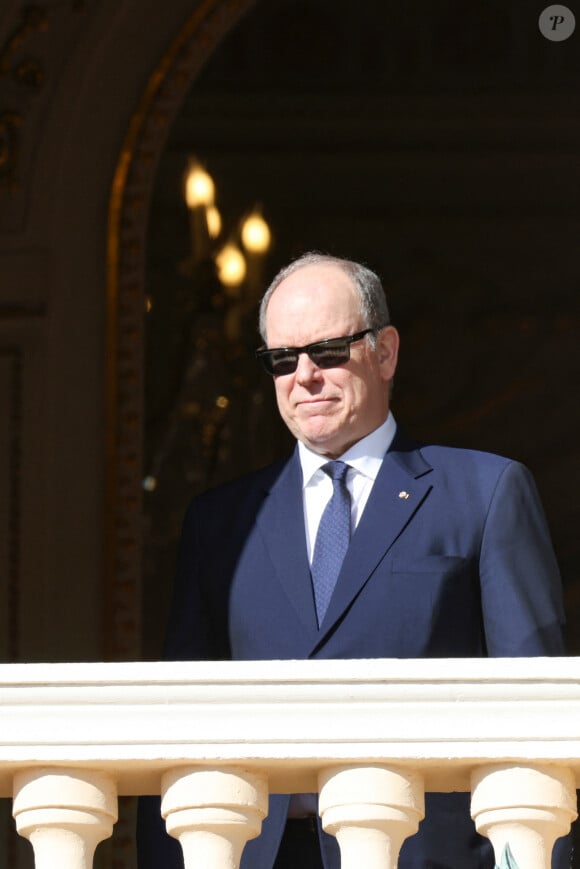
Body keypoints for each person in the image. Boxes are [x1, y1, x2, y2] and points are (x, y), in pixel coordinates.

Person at [137, 252, 568, 869]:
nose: (304, 375)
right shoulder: (220, 522)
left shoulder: (485, 492)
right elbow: (175, 728)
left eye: (329, 350)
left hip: (426, 854)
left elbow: (539, 716)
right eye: (282, 359)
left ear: (385, 352)